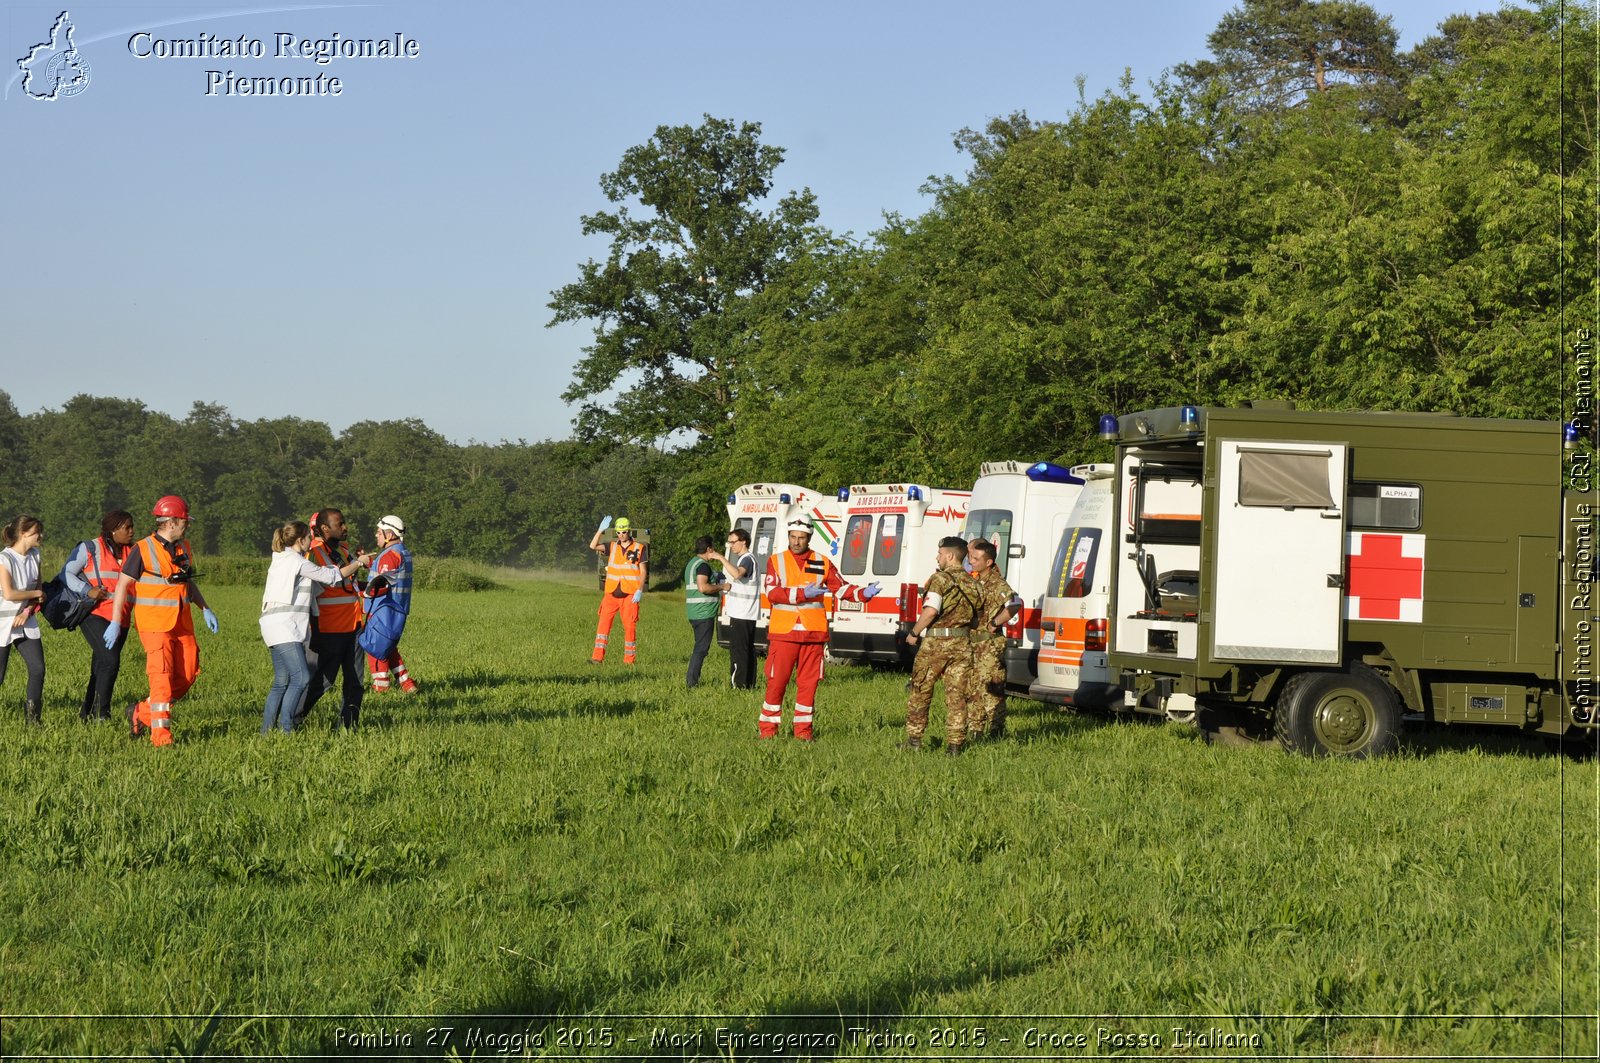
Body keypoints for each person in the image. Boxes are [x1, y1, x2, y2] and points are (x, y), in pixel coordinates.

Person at [105, 496, 218, 747]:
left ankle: (141, 712)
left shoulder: (184, 547)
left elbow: (186, 581)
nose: (186, 525)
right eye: (184, 521)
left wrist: (205, 608)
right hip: (154, 624)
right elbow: (123, 584)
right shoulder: (142, 549)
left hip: (182, 622)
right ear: (171, 522)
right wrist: (115, 620)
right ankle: (161, 738)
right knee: (162, 678)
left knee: (188, 674)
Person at [760, 518, 880, 740]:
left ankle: (803, 733)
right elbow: (773, 593)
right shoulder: (776, 561)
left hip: (813, 634)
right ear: (788, 537)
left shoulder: (823, 562)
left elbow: (841, 588)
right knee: (777, 683)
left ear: (809, 538)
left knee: (809, 685)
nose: (796, 542)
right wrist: (803, 594)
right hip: (784, 634)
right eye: (793, 537)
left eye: (801, 538)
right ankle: (768, 732)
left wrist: (863, 593)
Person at [259, 520, 370, 734]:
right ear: (301, 540)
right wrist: (358, 563)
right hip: (286, 627)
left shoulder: (281, 559)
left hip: (270, 626)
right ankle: (286, 728)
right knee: (301, 678)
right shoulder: (298, 561)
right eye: (309, 538)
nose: (313, 541)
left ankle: (267, 731)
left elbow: (315, 587)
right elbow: (330, 577)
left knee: (281, 682)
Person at [900, 536, 983, 755]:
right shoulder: (975, 584)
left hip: (936, 644)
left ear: (950, 556)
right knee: (957, 697)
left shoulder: (939, 580)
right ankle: (955, 746)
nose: (937, 558)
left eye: (939, 554)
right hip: (963, 645)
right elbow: (976, 620)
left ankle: (914, 741)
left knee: (920, 691)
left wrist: (914, 632)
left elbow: (931, 611)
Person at [296, 508, 370, 729]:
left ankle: (348, 727)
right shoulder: (313, 554)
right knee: (322, 682)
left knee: (355, 683)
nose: (345, 528)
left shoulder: (346, 551)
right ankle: (290, 721)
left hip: (354, 626)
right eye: (340, 525)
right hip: (330, 630)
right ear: (325, 529)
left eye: (344, 523)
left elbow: (348, 586)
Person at [61, 510, 135, 723]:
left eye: (132, 526)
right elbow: (66, 573)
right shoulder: (90, 548)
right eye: (126, 527)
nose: (131, 531)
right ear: (113, 530)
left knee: (101, 665)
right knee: (111, 661)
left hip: (121, 617)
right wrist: (87, 590)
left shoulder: (134, 551)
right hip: (95, 613)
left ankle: (87, 713)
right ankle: (102, 714)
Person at [966, 537, 1023, 739]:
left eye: (975, 558)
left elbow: (1015, 604)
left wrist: (995, 623)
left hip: (989, 644)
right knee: (973, 687)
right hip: (973, 642)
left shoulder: (997, 582)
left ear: (988, 562)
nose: (971, 561)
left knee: (991, 688)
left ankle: (996, 730)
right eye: (971, 557)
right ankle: (976, 729)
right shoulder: (975, 581)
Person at [0, 515, 47, 727]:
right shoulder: (4, 559)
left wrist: (27, 611)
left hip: (25, 620)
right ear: (23, 533)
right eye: (37, 532)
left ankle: (33, 721)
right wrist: (35, 592)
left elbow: (39, 593)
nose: (41, 536)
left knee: (38, 669)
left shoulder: (35, 555)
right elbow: (9, 594)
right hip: (2, 622)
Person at [364, 514, 416, 694]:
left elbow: (380, 585)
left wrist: (359, 592)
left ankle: (381, 688)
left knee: (375, 648)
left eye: (379, 532)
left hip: (381, 609)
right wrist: (371, 564)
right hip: (396, 609)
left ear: (390, 535)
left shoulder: (389, 556)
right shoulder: (402, 552)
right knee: (388, 646)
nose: (376, 535)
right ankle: (407, 684)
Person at [589, 516, 648, 665]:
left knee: (629, 627)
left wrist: (640, 590)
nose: (621, 535)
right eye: (618, 532)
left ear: (629, 531)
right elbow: (592, 546)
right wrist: (600, 531)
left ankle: (629, 661)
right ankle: (597, 658)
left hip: (629, 595)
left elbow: (643, 572)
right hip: (611, 594)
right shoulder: (612, 546)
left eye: (623, 532)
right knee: (603, 625)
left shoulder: (640, 548)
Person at [683, 535, 726, 688]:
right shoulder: (703, 566)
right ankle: (692, 682)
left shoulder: (692, 563)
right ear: (709, 549)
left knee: (699, 647)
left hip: (695, 612)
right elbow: (703, 587)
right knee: (701, 649)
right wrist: (722, 587)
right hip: (704, 612)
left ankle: (692, 680)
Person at [721, 527, 759, 689]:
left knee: (739, 651)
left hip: (742, 613)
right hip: (746, 613)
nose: (731, 546)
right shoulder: (748, 559)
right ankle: (748, 683)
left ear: (743, 541)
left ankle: (739, 684)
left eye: (733, 542)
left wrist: (720, 558)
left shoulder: (747, 559)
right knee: (747, 650)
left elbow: (738, 574)